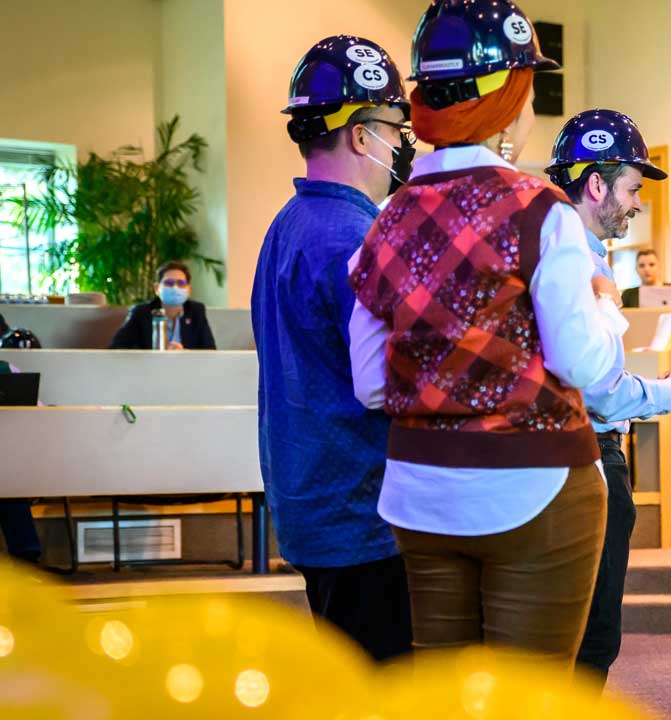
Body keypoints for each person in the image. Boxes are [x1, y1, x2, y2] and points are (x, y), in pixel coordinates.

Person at [348, 0, 620, 665]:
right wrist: (607, 307)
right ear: (506, 102)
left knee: (443, 693)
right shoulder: (540, 210)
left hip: (418, 489)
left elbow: (369, 384)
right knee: (529, 694)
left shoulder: (384, 219)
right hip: (535, 484)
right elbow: (583, 364)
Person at [251, 35, 413, 662]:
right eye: (395, 127)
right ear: (360, 133)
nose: (400, 145)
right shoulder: (355, 235)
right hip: (362, 510)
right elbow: (395, 374)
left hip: (311, 499)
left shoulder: (287, 223)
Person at [545, 108, 671, 683]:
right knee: (591, 636)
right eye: (633, 189)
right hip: (588, 453)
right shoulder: (579, 262)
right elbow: (600, 391)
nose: (638, 203)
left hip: (564, 456)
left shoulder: (573, 253)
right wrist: (667, 392)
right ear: (596, 185)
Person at [0, 326, 43, 565]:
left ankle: (26, 559)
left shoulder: (8, 371)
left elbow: (38, 411)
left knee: (8, 483)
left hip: (5, 458)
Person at [108, 261, 216, 350]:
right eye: (169, 283)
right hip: (149, 371)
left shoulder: (196, 311)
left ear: (189, 290)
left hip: (187, 370)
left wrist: (185, 353)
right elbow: (116, 348)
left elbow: (210, 350)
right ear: (156, 288)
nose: (175, 288)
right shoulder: (141, 312)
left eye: (181, 283)